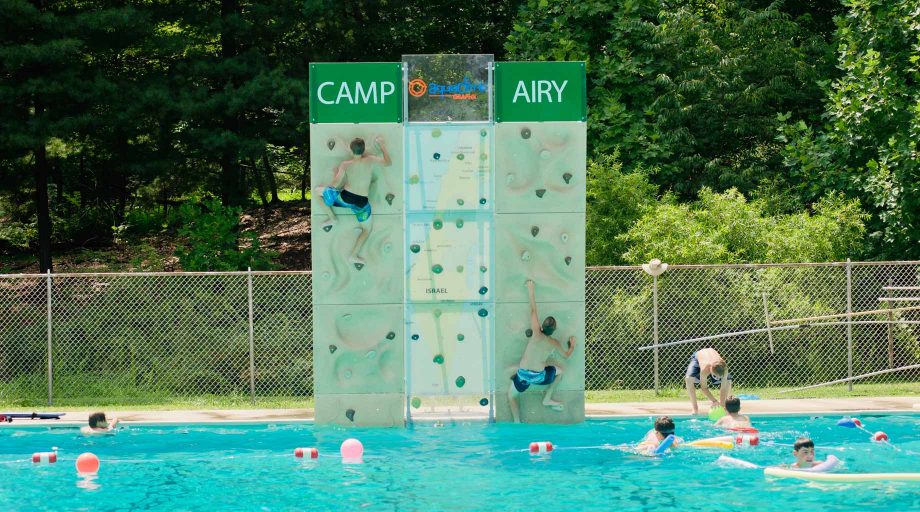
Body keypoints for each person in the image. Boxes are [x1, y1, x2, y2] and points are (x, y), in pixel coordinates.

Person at [313, 136, 392, 269]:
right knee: (367, 229)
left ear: (351, 149)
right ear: (364, 149)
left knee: (317, 191)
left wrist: (336, 173)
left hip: (345, 199)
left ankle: (332, 219)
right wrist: (382, 145)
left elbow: (335, 184)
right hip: (361, 203)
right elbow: (387, 162)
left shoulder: (345, 164)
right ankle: (353, 255)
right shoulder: (370, 159)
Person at [508, 280, 577, 423]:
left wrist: (530, 288)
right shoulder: (554, 343)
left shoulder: (536, 333)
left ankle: (517, 421)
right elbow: (566, 356)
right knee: (560, 372)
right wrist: (572, 346)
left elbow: (533, 310)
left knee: (511, 396)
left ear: (541, 327)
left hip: (523, 376)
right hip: (540, 377)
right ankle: (547, 398)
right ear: (554, 330)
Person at [684, 347, 732, 415]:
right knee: (688, 379)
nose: (718, 378)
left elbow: (723, 388)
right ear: (711, 370)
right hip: (698, 358)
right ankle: (695, 408)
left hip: (712, 357)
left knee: (728, 380)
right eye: (715, 376)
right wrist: (714, 401)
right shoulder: (705, 369)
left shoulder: (724, 368)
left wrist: (722, 406)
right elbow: (704, 388)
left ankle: (724, 406)